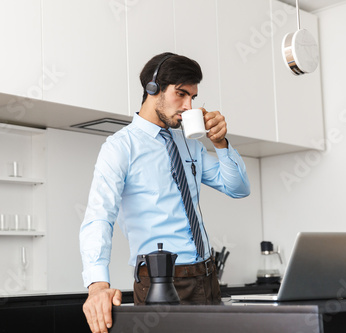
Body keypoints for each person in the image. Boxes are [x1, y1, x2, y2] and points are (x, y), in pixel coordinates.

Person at [80, 52, 251, 333]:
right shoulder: (120, 147)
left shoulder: (190, 143)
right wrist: (98, 285)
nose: (188, 106)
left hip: (207, 277)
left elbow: (238, 189)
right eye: (181, 94)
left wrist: (220, 144)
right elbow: (99, 216)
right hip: (161, 282)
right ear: (152, 88)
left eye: (193, 98)